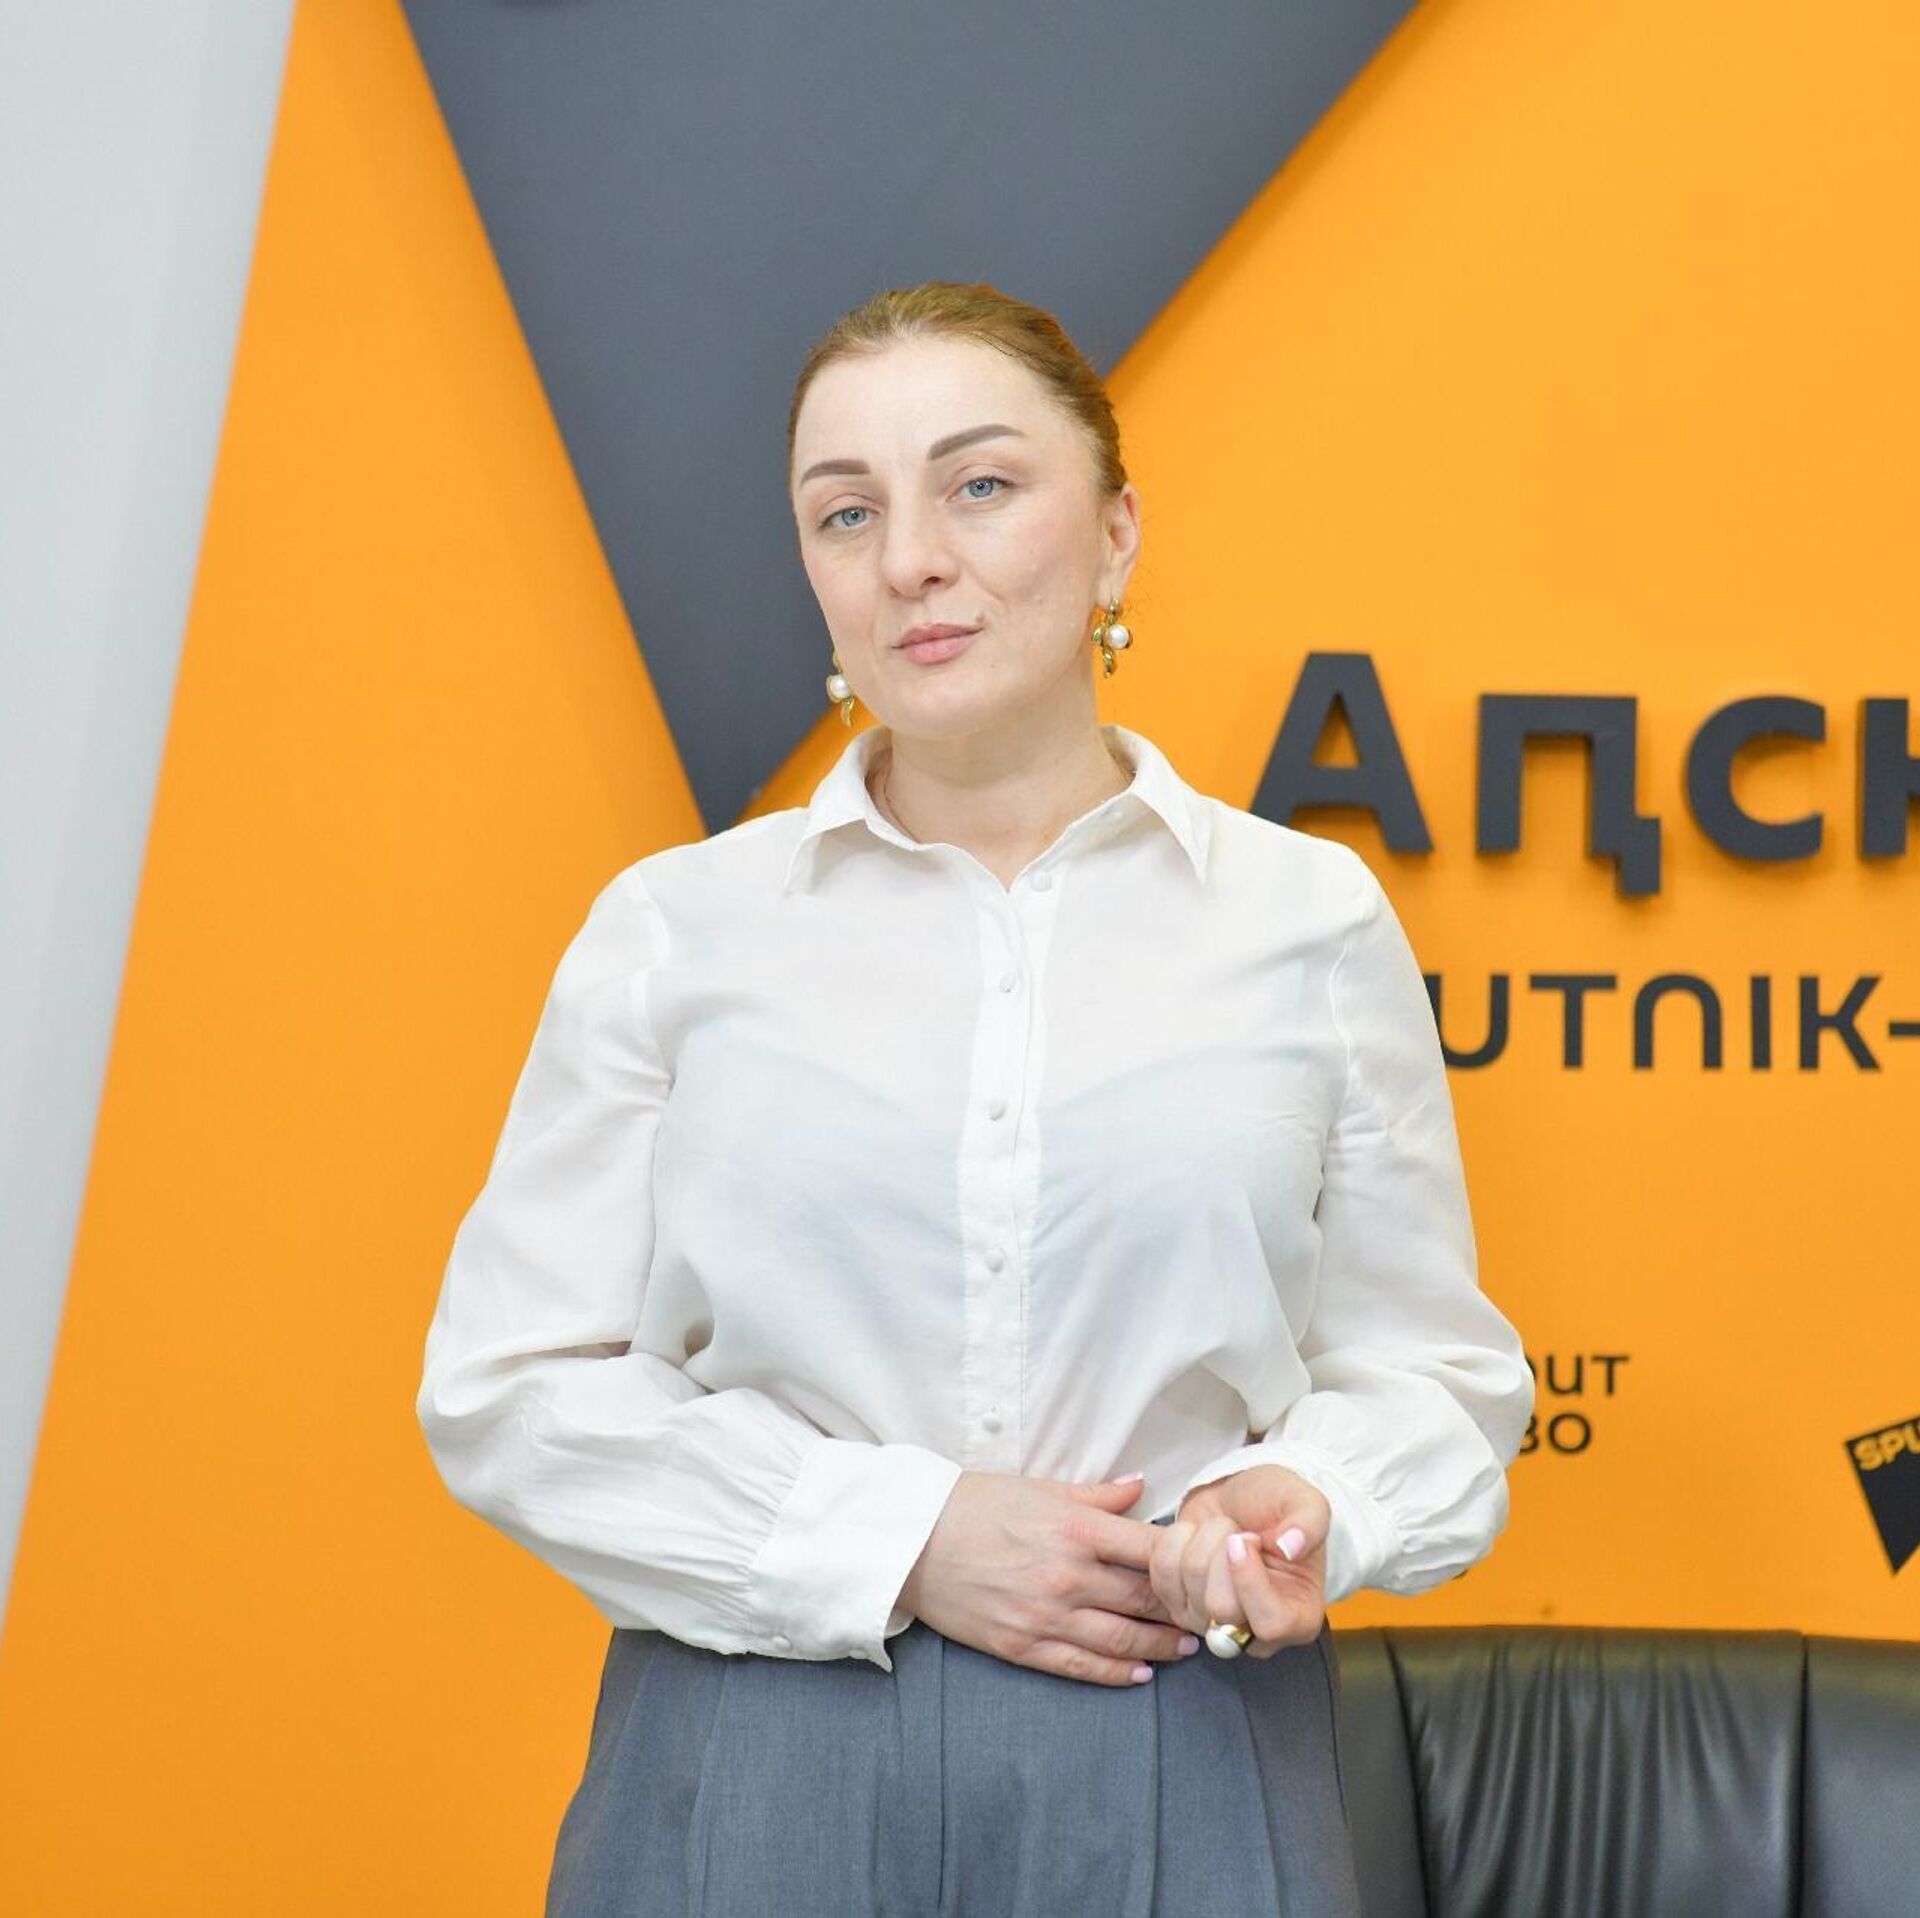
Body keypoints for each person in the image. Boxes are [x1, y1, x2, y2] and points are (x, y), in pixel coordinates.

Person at [415, 280, 1535, 1916]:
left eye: (981, 484)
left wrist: (1312, 1502)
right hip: (751, 1753)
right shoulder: (676, 930)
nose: (910, 559)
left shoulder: (1309, 921)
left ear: (1117, 535)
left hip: (1184, 1729)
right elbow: (509, 1387)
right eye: (846, 512)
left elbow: (1432, 1371)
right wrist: (909, 1534)